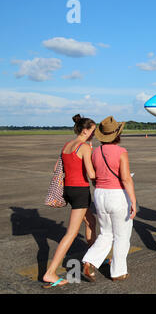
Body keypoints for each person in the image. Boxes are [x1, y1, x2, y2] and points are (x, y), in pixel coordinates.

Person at [42, 114, 97, 288]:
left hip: (69, 190)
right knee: (71, 233)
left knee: (91, 222)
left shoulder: (68, 145)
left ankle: (94, 257)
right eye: (93, 131)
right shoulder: (85, 148)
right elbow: (91, 174)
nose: (94, 135)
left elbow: (56, 167)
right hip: (80, 191)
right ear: (86, 130)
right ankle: (50, 273)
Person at [82, 116, 137, 282]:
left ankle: (90, 260)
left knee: (106, 233)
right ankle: (118, 272)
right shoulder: (121, 152)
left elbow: (94, 175)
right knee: (122, 235)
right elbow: (126, 178)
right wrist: (133, 200)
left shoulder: (95, 152)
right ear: (117, 134)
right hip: (117, 195)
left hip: (100, 194)